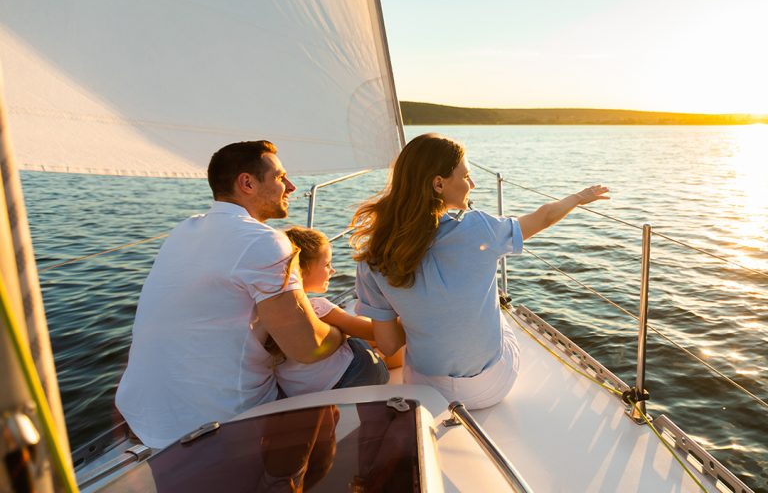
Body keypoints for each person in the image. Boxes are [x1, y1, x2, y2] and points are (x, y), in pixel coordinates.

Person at [116, 141, 386, 448]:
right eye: (280, 177)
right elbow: (306, 347)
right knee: (362, 359)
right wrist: (342, 332)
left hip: (145, 415)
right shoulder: (263, 241)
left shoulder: (185, 230)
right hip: (223, 418)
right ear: (247, 183)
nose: (292, 186)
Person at [351, 133, 609, 409]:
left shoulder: (372, 258)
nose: (472, 184)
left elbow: (388, 346)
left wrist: (422, 318)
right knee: (498, 311)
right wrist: (579, 197)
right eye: (465, 176)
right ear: (438, 183)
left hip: (425, 390)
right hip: (490, 387)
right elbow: (543, 216)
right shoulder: (480, 229)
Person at [268, 227, 398, 396]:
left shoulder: (267, 313)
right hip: (358, 375)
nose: (332, 270)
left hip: (301, 393)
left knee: (353, 332)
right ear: (302, 270)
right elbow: (375, 333)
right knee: (376, 339)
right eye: (327, 264)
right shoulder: (318, 308)